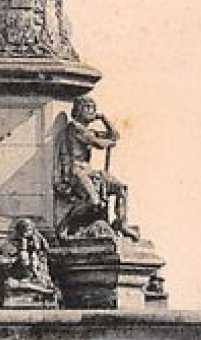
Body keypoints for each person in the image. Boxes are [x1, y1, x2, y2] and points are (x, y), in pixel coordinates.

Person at [55, 96, 139, 240]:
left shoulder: (89, 130)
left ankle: (121, 223)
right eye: (86, 107)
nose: (91, 111)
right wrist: (108, 143)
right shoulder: (74, 128)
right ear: (77, 110)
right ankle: (65, 225)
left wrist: (104, 119)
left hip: (89, 170)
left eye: (93, 107)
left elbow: (115, 136)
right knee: (93, 201)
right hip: (76, 171)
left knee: (121, 188)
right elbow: (98, 143)